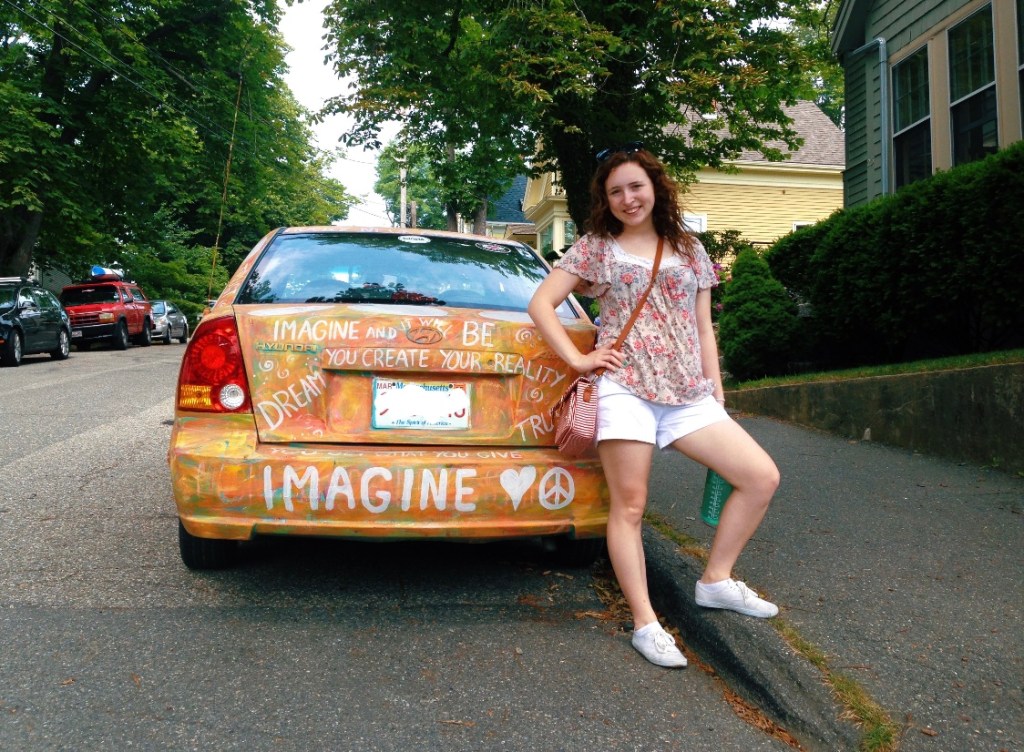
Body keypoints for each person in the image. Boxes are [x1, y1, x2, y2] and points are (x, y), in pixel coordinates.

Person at [527, 144, 781, 669]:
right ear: (606, 200)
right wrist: (578, 359)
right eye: (615, 191)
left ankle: (716, 580)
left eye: (635, 186)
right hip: (625, 388)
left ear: (655, 187)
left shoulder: (689, 248)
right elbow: (540, 303)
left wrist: (716, 390)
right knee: (630, 507)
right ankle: (646, 624)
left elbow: (703, 326)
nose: (628, 198)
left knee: (760, 477)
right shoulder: (598, 248)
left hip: (688, 394)